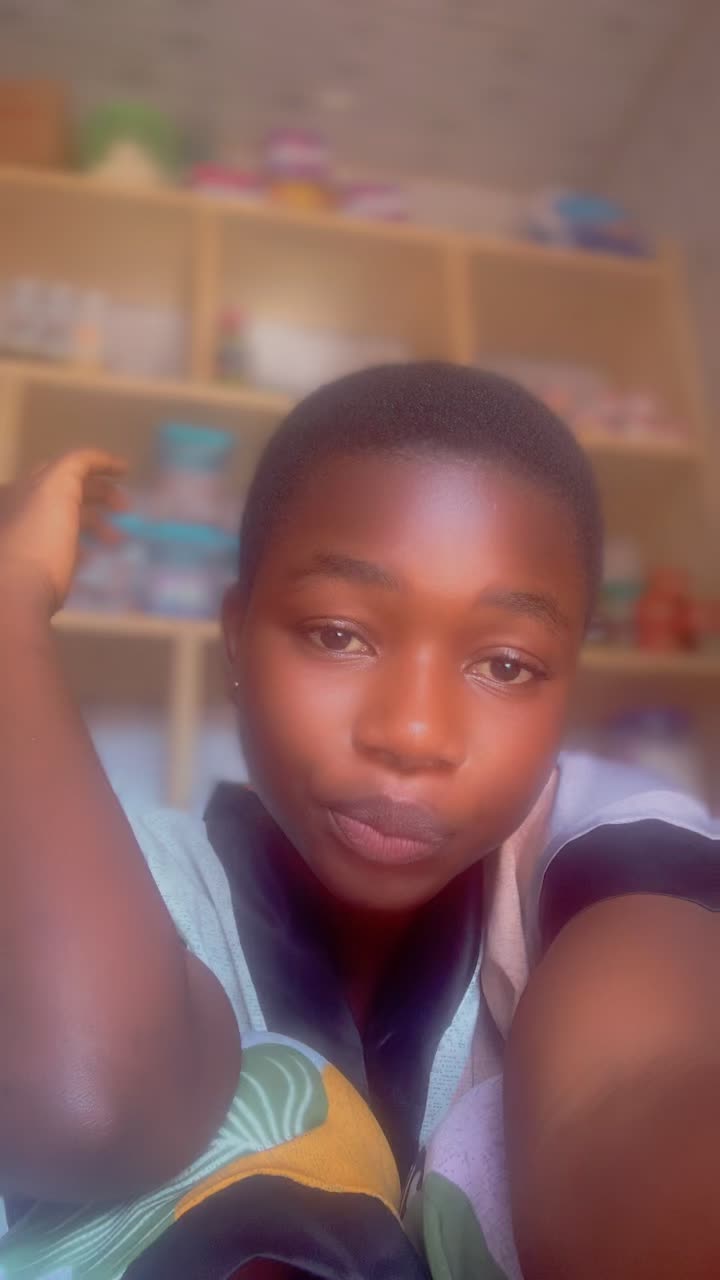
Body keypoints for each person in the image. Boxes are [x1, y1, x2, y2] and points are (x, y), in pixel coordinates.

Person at [0, 362, 717, 1280]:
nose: (412, 733)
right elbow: (87, 1103)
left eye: (505, 665)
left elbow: (639, 1091)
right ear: (237, 636)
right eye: (338, 634)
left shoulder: (601, 845)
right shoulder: (118, 882)